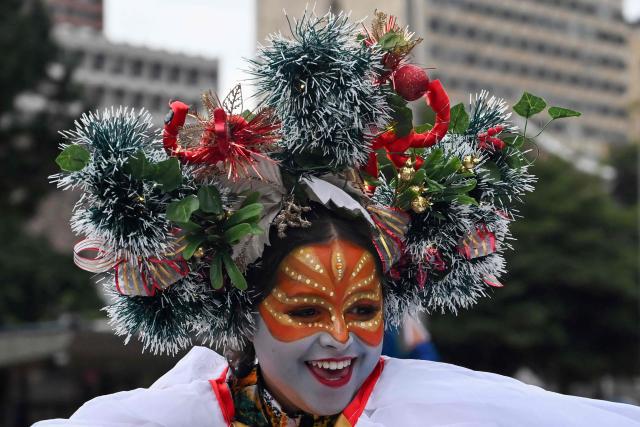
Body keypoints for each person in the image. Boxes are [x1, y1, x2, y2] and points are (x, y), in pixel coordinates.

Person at [35, 9, 640, 427]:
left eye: (364, 309)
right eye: (304, 310)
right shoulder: (171, 416)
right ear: (244, 310)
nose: (342, 340)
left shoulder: (441, 408)